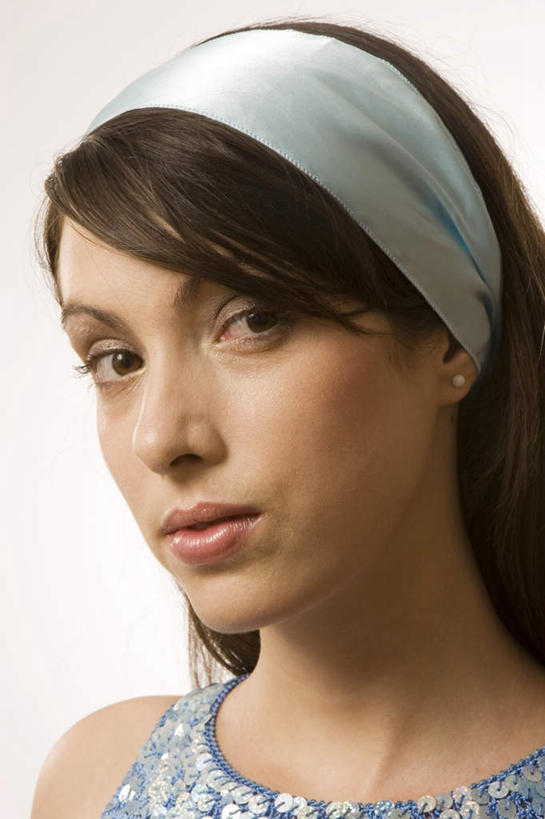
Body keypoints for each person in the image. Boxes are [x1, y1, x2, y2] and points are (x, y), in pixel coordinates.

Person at [30, 15, 545, 819]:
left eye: (253, 319)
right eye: (117, 359)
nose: (160, 438)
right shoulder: (92, 781)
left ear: (447, 334)